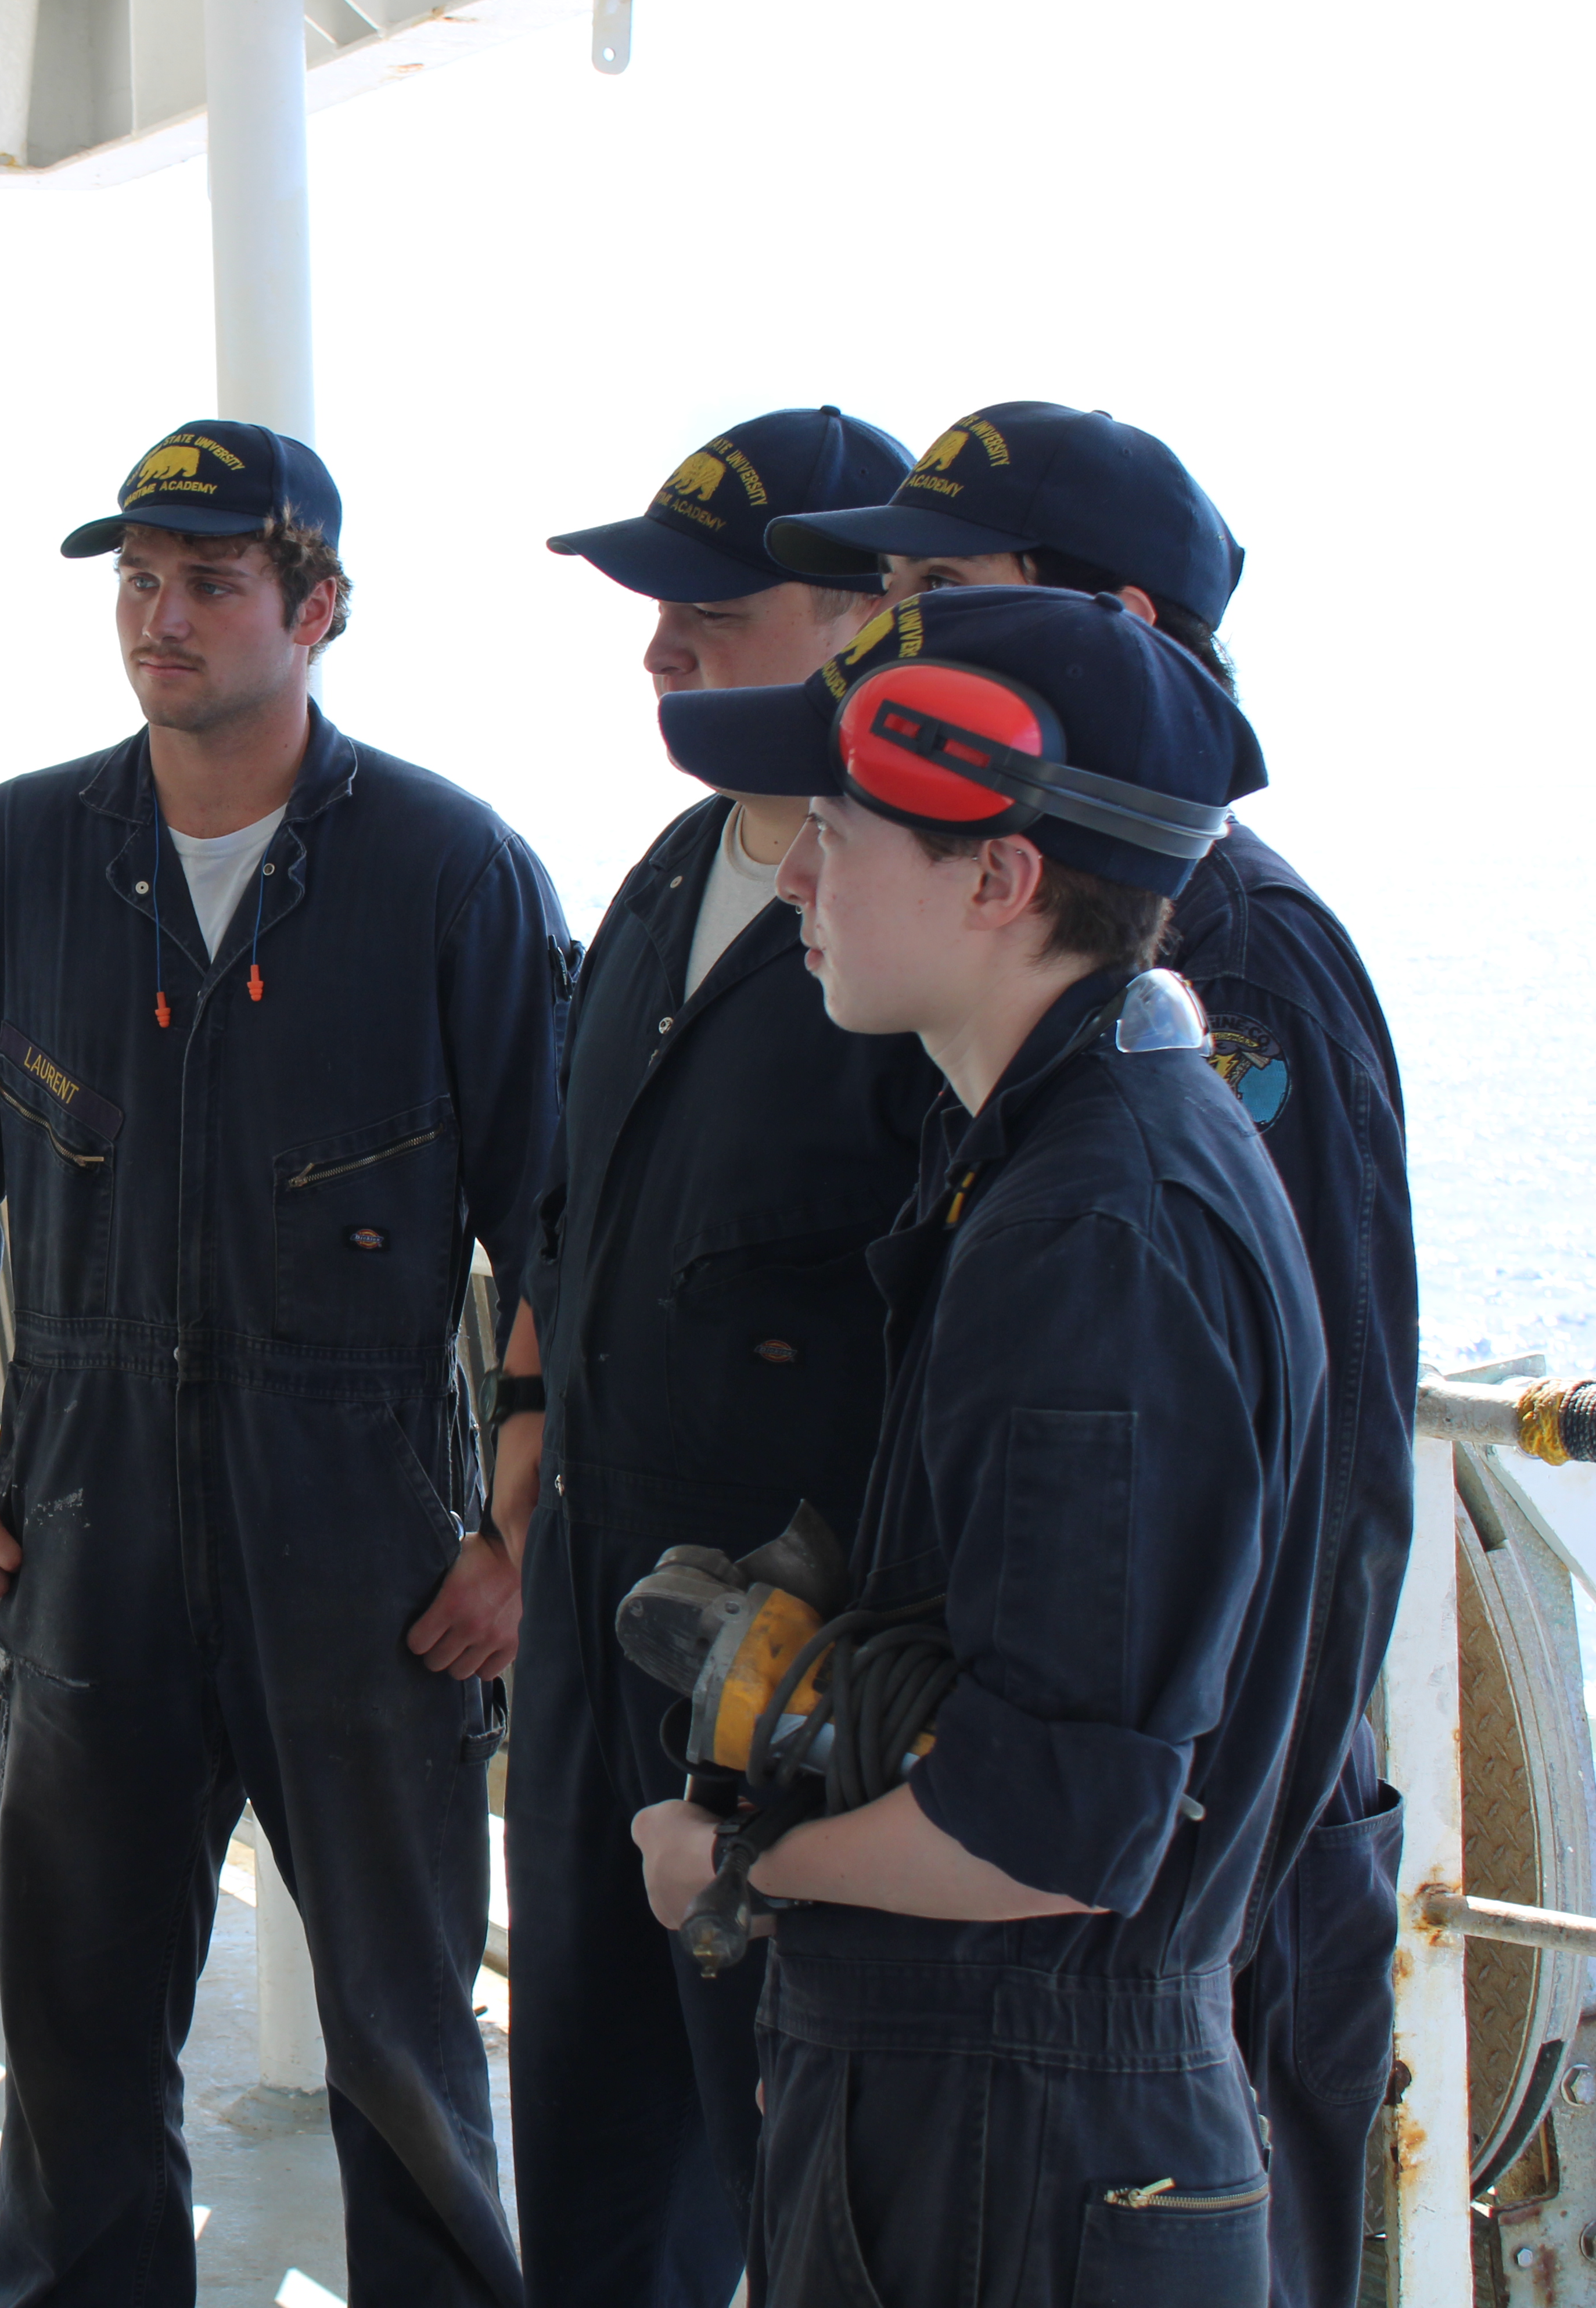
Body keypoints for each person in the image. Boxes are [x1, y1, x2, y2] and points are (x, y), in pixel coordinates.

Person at [0, 419, 567, 2307]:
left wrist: (517, 1537)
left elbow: (556, 1231)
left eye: (208, 583)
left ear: (318, 609)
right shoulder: (18, 857)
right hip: (88, 1526)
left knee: (413, 2053)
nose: (158, 620)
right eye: (136, 582)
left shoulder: (452, 874)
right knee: (79, 2056)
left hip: (367, 1543)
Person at [772, 408, 1412, 2307]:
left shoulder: (1215, 1004)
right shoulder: (1074, 1060)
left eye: (940, 597)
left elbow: (1312, 1493)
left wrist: (752, 1870)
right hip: (1066, 1964)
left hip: (1148, 1961)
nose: (888, 634)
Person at [638, 584, 1323, 2302]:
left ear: (1005, 879)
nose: (794, 873)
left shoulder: (1095, 1227)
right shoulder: (1069, 1151)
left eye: (838, 830)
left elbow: (1054, 1826)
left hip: (1019, 2158)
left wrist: (735, 1870)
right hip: (1001, 2123)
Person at [510, 405, 943, 2308]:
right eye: (650, 603)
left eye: (708, 604)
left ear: (868, 619)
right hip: (593, 1654)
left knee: (812, 2190)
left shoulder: (920, 925)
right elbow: (571, 1212)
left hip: (796, 1707)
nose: (660, 647)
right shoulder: (663, 880)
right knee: (592, 2173)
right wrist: (522, 1427)